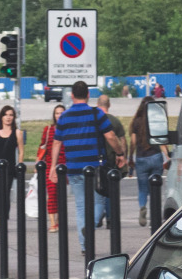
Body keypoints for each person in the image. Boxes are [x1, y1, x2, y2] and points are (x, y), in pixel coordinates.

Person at [53, 81, 126, 252]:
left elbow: (56, 143)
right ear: (88, 95)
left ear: (72, 96)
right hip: (94, 167)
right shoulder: (97, 114)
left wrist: (53, 167)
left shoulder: (64, 116)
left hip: (73, 167)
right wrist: (120, 153)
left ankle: (85, 245)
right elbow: (110, 136)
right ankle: (90, 227)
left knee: (80, 206)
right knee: (99, 200)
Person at [129, 96, 171, 227]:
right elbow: (162, 141)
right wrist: (167, 156)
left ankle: (142, 207)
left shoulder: (136, 122)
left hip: (141, 158)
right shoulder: (156, 121)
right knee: (155, 187)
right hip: (155, 156)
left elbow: (133, 142)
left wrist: (130, 156)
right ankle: (155, 215)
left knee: (142, 188)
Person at [0, 105, 24, 229]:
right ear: (1, 117)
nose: (8, 117)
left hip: (8, 169)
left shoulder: (17, 133)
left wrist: (19, 166)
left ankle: (2, 219)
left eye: (11, 115)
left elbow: (21, 151)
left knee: (4, 194)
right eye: (6, 115)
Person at [96, 93, 129, 224]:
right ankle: (110, 218)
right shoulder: (115, 121)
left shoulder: (96, 120)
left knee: (98, 188)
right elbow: (122, 140)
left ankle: (97, 216)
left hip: (98, 159)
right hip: (113, 159)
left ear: (98, 105)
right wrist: (123, 156)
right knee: (110, 190)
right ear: (109, 105)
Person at [38, 103, 66, 232]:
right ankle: (52, 222)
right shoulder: (48, 129)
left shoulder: (68, 129)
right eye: (57, 113)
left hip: (65, 164)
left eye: (61, 113)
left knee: (61, 193)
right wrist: (38, 161)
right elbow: (42, 145)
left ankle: (60, 221)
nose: (59, 115)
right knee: (52, 192)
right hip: (50, 164)